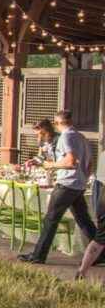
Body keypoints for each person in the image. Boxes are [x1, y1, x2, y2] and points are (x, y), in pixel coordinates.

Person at [21, 109, 97, 264]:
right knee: (84, 220)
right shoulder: (82, 138)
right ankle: (100, 254)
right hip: (78, 185)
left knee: (50, 219)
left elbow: (70, 161)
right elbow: (90, 164)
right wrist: (83, 178)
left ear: (57, 123)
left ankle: (38, 256)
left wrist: (51, 165)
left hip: (66, 184)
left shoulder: (65, 137)